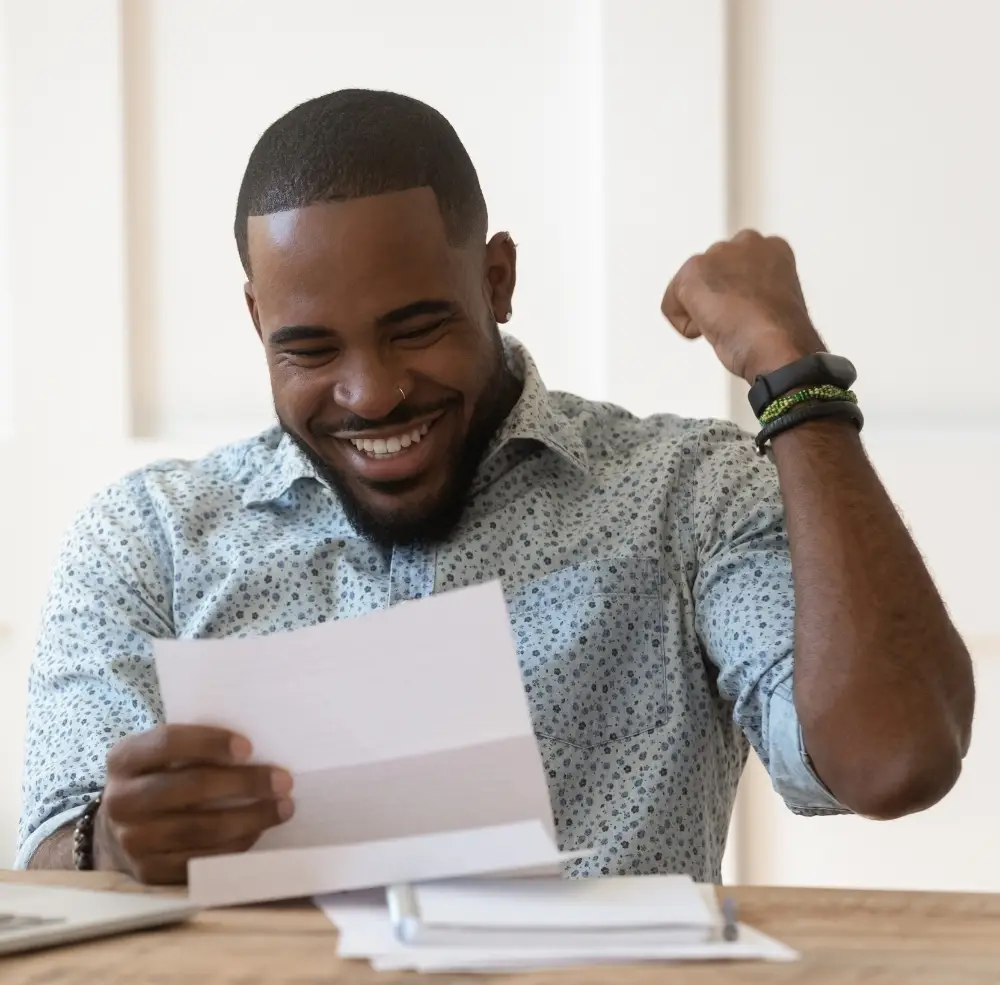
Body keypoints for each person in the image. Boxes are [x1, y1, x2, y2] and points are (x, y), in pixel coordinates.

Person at [17, 90, 973, 885]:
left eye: (416, 328)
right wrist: (113, 843)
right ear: (256, 318)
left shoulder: (686, 497)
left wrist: (793, 375)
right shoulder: (147, 540)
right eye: (308, 348)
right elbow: (50, 860)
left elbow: (893, 757)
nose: (372, 392)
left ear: (498, 278)